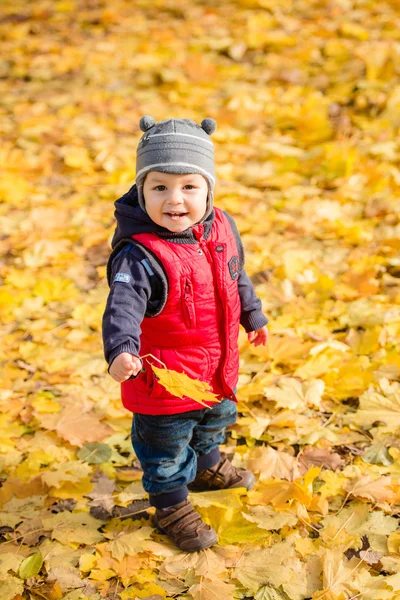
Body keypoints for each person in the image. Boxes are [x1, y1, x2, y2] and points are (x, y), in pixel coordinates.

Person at [102, 116, 269, 552]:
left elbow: (237, 276)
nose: (175, 200)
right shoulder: (140, 255)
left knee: (214, 421)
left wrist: (253, 316)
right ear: (141, 191)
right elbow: (121, 308)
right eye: (159, 187)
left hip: (216, 365)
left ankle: (207, 466)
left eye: (189, 187)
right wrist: (121, 350)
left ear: (208, 189)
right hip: (163, 379)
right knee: (166, 447)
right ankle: (171, 503)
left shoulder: (222, 227)